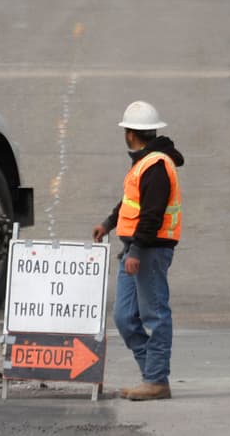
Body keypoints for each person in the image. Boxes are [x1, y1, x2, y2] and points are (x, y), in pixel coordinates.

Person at [92, 101, 184, 402]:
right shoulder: (144, 163)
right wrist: (109, 223)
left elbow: (152, 215)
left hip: (149, 251)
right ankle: (153, 376)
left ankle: (156, 380)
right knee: (124, 317)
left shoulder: (156, 166)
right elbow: (130, 203)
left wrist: (137, 251)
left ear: (130, 133)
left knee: (154, 314)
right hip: (135, 248)